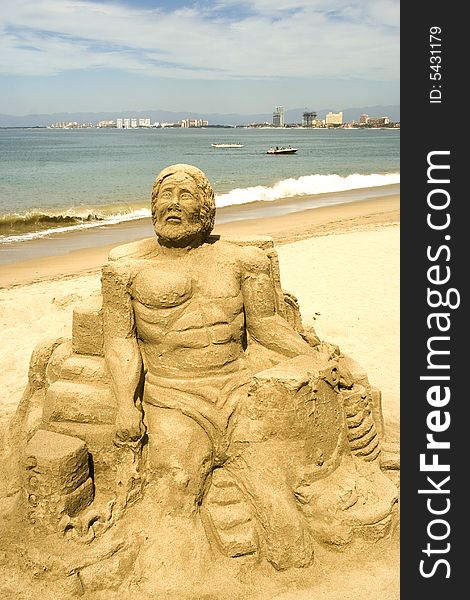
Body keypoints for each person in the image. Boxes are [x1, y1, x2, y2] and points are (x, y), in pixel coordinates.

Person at [102, 163, 319, 517]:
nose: (173, 204)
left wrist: (311, 354)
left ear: (205, 208)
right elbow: (119, 341)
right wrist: (127, 405)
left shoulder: (244, 260)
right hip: (174, 397)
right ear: (153, 206)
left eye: (184, 195)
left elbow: (266, 324)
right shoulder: (125, 271)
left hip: (240, 390)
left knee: (279, 501)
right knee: (176, 492)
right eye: (165, 196)